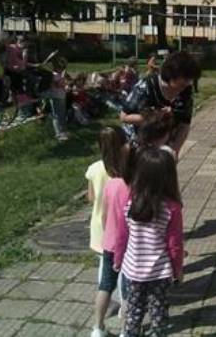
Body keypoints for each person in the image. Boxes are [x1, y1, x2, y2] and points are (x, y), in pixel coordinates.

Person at [119, 147, 183, 337]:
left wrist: (118, 258)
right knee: (159, 311)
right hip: (159, 271)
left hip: (133, 269)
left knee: (134, 310)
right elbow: (175, 244)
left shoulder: (131, 201)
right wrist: (178, 269)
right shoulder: (172, 207)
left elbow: (123, 234)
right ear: (169, 176)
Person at [89, 127, 129, 337]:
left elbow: (91, 199)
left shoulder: (96, 169)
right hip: (126, 238)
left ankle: (97, 327)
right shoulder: (127, 174)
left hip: (105, 235)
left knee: (105, 282)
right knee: (127, 287)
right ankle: (126, 329)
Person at [120, 51, 200, 154]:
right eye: (186, 78)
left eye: (190, 79)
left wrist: (174, 151)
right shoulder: (146, 86)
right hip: (138, 143)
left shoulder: (185, 91)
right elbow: (124, 117)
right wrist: (156, 116)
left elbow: (184, 124)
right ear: (172, 74)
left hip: (165, 144)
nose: (189, 83)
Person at [41, 56, 69, 141]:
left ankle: (63, 132)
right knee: (57, 116)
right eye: (61, 67)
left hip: (61, 96)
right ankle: (58, 134)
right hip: (56, 97)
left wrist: (64, 82)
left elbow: (63, 84)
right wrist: (63, 78)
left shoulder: (59, 74)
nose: (62, 69)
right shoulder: (54, 75)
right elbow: (58, 84)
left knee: (62, 115)